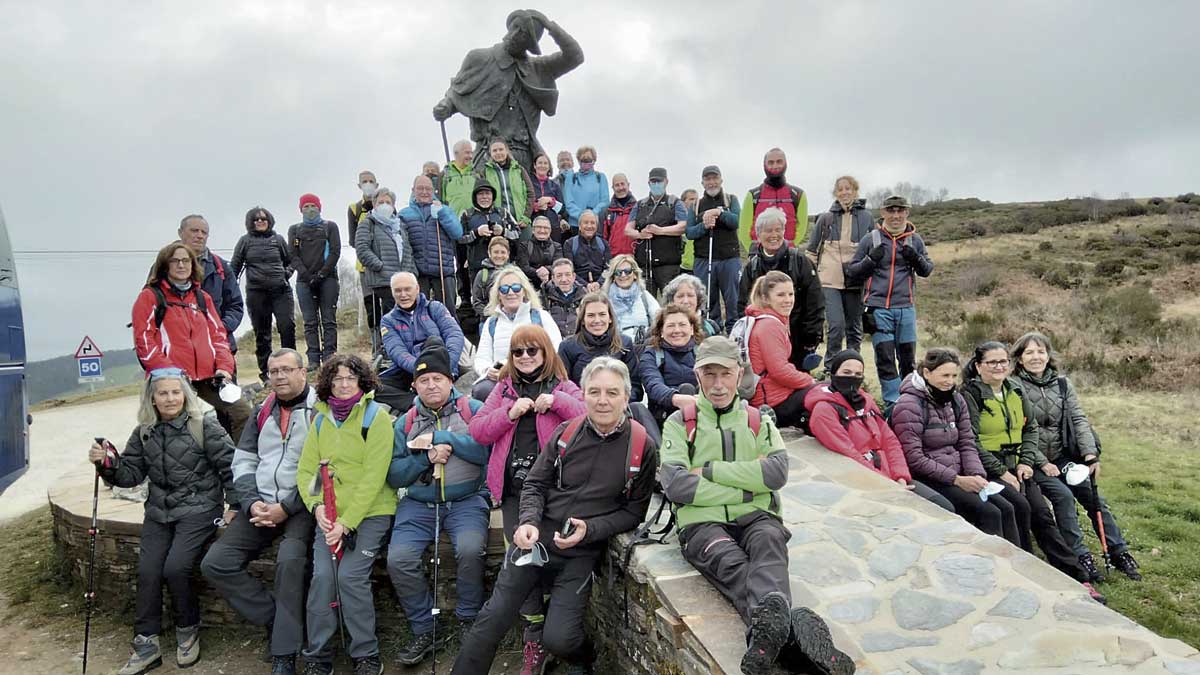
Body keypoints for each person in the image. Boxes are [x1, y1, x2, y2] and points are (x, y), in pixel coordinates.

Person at [658, 337, 850, 675]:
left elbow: (776, 473)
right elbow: (677, 485)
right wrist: (749, 487)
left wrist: (712, 472)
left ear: (739, 373)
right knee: (735, 566)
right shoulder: (679, 423)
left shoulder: (758, 420)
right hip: (701, 524)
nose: (718, 385)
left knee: (769, 545)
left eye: (726, 374)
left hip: (758, 518)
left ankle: (766, 643)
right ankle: (792, 642)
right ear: (698, 375)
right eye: (710, 374)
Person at [454, 357, 654, 674]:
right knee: (492, 619)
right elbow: (534, 483)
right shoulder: (566, 433)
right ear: (583, 394)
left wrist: (590, 529)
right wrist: (529, 522)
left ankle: (581, 658)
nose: (603, 401)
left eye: (612, 393)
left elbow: (633, 513)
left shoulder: (642, 446)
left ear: (626, 396)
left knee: (559, 639)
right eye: (595, 392)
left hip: (581, 552)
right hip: (537, 541)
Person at [90, 369, 235, 675]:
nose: (170, 398)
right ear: (152, 399)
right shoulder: (144, 431)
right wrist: (107, 464)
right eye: (162, 393)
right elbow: (130, 475)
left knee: (176, 567)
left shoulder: (204, 425)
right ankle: (146, 644)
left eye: (175, 392)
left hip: (200, 508)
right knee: (148, 571)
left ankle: (187, 629)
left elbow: (230, 466)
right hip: (159, 512)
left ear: (186, 395)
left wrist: (235, 504)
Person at [465, 325, 586, 671]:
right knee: (522, 560)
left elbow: (588, 416)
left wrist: (558, 402)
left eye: (533, 350)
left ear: (546, 352)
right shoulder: (502, 390)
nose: (525, 357)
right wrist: (510, 412)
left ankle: (554, 633)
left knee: (552, 560)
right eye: (518, 352)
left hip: (557, 492)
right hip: (516, 492)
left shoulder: (563, 387)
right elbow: (477, 430)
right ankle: (534, 637)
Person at [200, 349, 315, 675]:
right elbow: (244, 460)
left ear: (302, 373)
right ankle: (280, 622)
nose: (279, 376)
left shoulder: (319, 410)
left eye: (286, 370)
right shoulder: (262, 410)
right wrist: (251, 501)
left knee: (290, 562)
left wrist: (286, 507)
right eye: (273, 371)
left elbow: (326, 470)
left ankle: (284, 654)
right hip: (261, 504)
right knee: (216, 563)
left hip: (301, 507)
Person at [960, 342, 1100, 597]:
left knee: (1042, 515)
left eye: (1003, 361)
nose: (999, 366)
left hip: (1020, 466)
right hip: (989, 467)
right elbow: (970, 439)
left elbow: (1030, 428)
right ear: (979, 366)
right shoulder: (969, 395)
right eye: (992, 362)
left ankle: (1076, 578)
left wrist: (1025, 462)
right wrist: (1001, 471)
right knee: (1019, 511)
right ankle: (1024, 574)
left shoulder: (1015, 389)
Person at [386, 338, 489, 666]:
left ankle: (467, 618)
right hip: (417, 504)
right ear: (415, 384)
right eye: (424, 380)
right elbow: (394, 474)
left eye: (438, 379)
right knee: (399, 559)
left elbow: (485, 453)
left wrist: (447, 439)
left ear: (450, 380)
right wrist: (424, 459)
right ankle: (425, 628)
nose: (431, 385)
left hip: (467, 499)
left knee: (471, 549)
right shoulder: (405, 421)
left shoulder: (471, 409)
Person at [1011, 332, 1141, 581]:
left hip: (1062, 456)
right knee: (1064, 498)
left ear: (1048, 356)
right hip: (1031, 459)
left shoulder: (1062, 384)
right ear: (1019, 359)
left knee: (1093, 498)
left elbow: (1078, 419)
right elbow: (1019, 430)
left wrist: (1090, 455)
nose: (1036, 357)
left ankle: (1118, 550)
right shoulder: (1013, 386)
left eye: (1040, 351)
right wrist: (1042, 462)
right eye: (1029, 352)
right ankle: (1080, 555)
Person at [296, 355, 396, 675]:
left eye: (350, 378)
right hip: (330, 516)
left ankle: (366, 654)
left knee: (350, 577)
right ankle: (318, 656)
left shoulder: (376, 418)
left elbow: (374, 477)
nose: (343, 384)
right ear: (328, 383)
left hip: (371, 513)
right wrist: (317, 507)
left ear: (362, 381)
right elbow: (308, 471)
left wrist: (346, 523)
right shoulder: (321, 420)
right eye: (337, 378)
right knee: (323, 578)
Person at [432, 10, 584, 173]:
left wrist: (550, 26)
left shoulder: (539, 68)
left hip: (523, 154)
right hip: (488, 152)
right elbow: (457, 91)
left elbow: (575, 56)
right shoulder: (480, 58)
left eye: (523, 33)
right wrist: (446, 106)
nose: (515, 34)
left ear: (530, 44)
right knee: (485, 196)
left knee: (524, 196)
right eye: (515, 27)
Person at [134, 242, 252, 442]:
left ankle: (242, 463)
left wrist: (224, 368)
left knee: (242, 412)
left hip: (208, 376)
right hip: (171, 379)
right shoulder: (150, 297)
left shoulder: (202, 297)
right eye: (175, 260)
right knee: (181, 428)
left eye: (186, 260)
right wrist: (170, 373)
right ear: (164, 265)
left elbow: (218, 336)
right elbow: (144, 341)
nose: (181, 265)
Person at [808, 350, 954, 511]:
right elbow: (850, 454)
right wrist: (886, 483)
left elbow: (890, 441)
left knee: (943, 506)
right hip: (865, 481)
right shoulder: (824, 410)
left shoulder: (866, 401)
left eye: (858, 374)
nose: (852, 378)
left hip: (891, 475)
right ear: (834, 373)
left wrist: (900, 476)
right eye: (846, 372)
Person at [845, 195, 933, 405]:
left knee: (907, 359)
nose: (895, 215)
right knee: (885, 358)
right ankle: (893, 403)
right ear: (883, 213)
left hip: (905, 308)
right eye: (891, 211)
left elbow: (927, 270)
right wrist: (870, 260)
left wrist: (915, 257)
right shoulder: (871, 239)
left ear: (907, 212)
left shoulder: (915, 240)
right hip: (878, 309)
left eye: (900, 210)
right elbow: (853, 271)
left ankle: (910, 401)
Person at [738, 208, 825, 371]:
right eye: (768, 230)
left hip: (798, 339)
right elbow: (743, 304)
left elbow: (815, 302)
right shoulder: (752, 267)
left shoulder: (800, 261)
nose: (774, 235)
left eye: (778, 230)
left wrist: (811, 340)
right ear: (758, 234)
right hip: (762, 341)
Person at [376, 272, 465, 414]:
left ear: (417, 288)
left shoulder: (435, 308)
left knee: (434, 341)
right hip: (409, 370)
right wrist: (420, 371)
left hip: (441, 364)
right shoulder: (388, 320)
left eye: (407, 289)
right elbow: (396, 351)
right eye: (398, 290)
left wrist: (445, 366)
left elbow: (455, 335)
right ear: (392, 293)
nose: (403, 294)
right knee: (370, 385)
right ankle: (413, 402)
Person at [807, 177, 871, 368]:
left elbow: (874, 249)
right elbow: (811, 251)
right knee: (836, 326)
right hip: (829, 279)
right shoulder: (825, 218)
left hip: (855, 280)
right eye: (840, 189)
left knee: (854, 327)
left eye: (848, 189)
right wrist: (811, 280)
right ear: (835, 193)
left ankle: (854, 366)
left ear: (855, 191)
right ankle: (831, 366)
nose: (844, 192)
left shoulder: (867, 218)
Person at [472, 266, 563, 401]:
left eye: (516, 288)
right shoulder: (491, 322)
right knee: (481, 391)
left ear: (524, 291)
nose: (510, 293)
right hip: (501, 379)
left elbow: (557, 348)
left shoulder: (541, 316)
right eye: (504, 289)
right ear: (498, 294)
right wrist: (487, 370)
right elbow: (482, 357)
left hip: (537, 375)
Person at [231, 207, 296, 382]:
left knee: (287, 327)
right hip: (256, 293)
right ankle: (266, 373)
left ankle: (292, 366)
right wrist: (229, 290)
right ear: (251, 222)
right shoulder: (244, 241)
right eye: (256, 219)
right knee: (262, 333)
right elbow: (234, 268)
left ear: (269, 220)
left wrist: (286, 274)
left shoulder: (279, 239)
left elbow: (291, 261)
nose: (260, 221)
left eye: (263, 219)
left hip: (281, 291)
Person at [744, 272, 817, 427]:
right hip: (772, 402)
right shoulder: (770, 326)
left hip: (767, 396)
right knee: (828, 392)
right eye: (781, 295)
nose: (788, 300)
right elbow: (780, 371)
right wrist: (809, 380)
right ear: (765, 298)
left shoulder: (762, 319)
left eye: (791, 294)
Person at [355, 186, 419, 355]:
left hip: (402, 280)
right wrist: (380, 266)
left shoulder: (400, 226)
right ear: (374, 204)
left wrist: (410, 273)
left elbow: (408, 251)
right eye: (381, 202)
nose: (385, 205)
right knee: (389, 316)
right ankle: (387, 351)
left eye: (388, 202)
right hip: (382, 281)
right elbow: (362, 249)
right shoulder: (368, 223)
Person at [178, 214, 244, 369]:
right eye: (194, 231)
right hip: (180, 353)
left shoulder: (220, 266)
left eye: (204, 232)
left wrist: (218, 328)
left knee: (226, 393)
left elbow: (236, 306)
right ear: (180, 233)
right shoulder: (165, 267)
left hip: (219, 351)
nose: (200, 236)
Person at [288, 193, 342, 371]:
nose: (310, 209)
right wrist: (306, 275)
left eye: (313, 206)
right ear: (300, 209)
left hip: (328, 279)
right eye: (306, 206)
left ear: (319, 207)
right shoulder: (294, 230)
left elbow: (335, 252)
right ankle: (313, 359)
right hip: (304, 281)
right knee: (310, 322)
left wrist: (321, 274)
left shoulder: (330, 227)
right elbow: (293, 256)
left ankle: (329, 357)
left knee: (328, 319)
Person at [687, 165, 742, 332]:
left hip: (729, 259)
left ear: (721, 180)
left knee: (733, 300)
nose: (711, 182)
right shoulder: (695, 205)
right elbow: (689, 232)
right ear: (702, 182)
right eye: (708, 179)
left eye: (714, 178)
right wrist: (704, 225)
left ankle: (734, 334)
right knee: (708, 301)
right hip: (704, 259)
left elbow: (736, 221)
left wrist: (719, 213)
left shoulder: (730, 200)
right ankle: (712, 332)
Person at [557, 292, 642, 400]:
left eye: (602, 314)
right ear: (583, 320)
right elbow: (562, 386)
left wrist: (619, 402)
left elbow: (635, 387)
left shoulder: (625, 343)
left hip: (619, 409)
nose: (597, 320)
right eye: (591, 315)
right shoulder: (567, 347)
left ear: (610, 318)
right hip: (581, 408)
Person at [400, 174, 464, 309]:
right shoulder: (404, 214)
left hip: (443, 271)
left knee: (448, 313)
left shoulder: (445, 210)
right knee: (419, 312)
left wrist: (441, 213)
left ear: (433, 190)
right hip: (418, 273)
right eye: (420, 188)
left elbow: (457, 233)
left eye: (428, 189)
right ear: (413, 190)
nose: (424, 192)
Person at [625, 167, 688, 296]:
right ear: (648, 183)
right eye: (653, 182)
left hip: (669, 266)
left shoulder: (675, 203)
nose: (656, 184)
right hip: (644, 265)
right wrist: (640, 234)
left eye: (659, 181)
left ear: (666, 182)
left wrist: (661, 231)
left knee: (670, 304)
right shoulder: (640, 204)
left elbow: (683, 226)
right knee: (645, 305)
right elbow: (627, 230)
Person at [639, 304, 703, 425]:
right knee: (686, 389)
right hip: (664, 417)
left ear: (692, 329)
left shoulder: (704, 351)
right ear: (661, 331)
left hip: (701, 412)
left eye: (682, 325)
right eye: (670, 326)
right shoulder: (651, 354)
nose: (677, 330)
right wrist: (677, 399)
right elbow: (653, 384)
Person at [738, 147, 808, 254]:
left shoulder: (798, 195)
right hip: (760, 255)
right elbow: (743, 229)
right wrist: (754, 251)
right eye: (770, 162)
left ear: (786, 164)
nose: (775, 166)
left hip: (788, 255)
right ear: (764, 165)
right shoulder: (753, 195)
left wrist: (791, 246)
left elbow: (802, 226)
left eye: (779, 162)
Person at [460, 179, 519, 303]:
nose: (484, 197)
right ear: (475, 197)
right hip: (476, 265)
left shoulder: (502, 213)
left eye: (487, 193)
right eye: (480, 194)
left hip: (501, 264)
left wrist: (503, 231)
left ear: (493, 196)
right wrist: (476, 233)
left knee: (504, 296)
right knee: (480, 299)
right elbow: (459, 238)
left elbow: (517, 233)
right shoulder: (467, 215)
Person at [441, 141, 478, 314]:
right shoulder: (446, 175)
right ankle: (464, 297)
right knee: (460, 261)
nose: (470, 156)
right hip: (455, 225)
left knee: (474, 259)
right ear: (456, 153)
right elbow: (441, 200)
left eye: (471, 153)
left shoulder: (476, 172)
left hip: (474, 221)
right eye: (466, 153)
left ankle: (477, 292)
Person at [482, 138, 536, 238]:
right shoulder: (485, 172)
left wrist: (526, 217)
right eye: (495, 150)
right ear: (490, 153)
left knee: (525, 251)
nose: (498, 153)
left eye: (501, 149)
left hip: (520, 221)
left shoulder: (519, 169)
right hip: (498, 222)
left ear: (506, 150)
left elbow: (530, 193)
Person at [348, 170, 380, 336]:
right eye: (365, 181)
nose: (368, 184)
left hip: (385, 265)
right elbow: (352, 240)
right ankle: (376, 343)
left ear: (377, 184)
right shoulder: (354, 209)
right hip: (364, 266)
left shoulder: (385, 206)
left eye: (371, 181)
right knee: (371, 306)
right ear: (359, 185)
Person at [603, 254, 660, 343]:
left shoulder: (644, 296)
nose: (623, 275)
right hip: (616, 345)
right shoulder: (605, 299)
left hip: (643, 345)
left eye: (627, 271)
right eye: (618, 272)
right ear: (613, 277)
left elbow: (659, 319)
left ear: (635, 275)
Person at [470, 237, 513, 333]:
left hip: (511, 321)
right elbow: (477, 302)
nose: (499, 255)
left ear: (508, 254)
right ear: (489, 253)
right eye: (496, 252)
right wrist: (493, 314)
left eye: (503, 252)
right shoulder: (482, 274)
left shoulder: (514, 273)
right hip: (488, 321)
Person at [562, 145, 609, 232]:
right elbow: (569, 202)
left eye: (589, 160)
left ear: (594, 160)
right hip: (575, 225)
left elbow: (605, 201)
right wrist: (582, 217)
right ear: (578, 161)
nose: (586, 163)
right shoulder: (571, 178)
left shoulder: (601, 177)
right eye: (583, 160)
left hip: (595, 225)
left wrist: (592, 215)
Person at [563, 209, 608, 291]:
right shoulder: (570, 244)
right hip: (578, 287)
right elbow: (569, 270)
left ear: (597, 226)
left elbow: (608, 268)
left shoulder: (604, 244)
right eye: (586, 223)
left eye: (592, 223)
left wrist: (599, 283)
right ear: (579, 226)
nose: (589, 226)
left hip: (601, 286)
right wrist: (585, 285)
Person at [540, 258, 586, 336]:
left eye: (567, 275)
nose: (564, 279)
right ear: (553, 278)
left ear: (574, 276)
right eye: (559, 276)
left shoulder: (585, 296)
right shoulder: (543, 298)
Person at [530, 151, 568, 242]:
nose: (542, 165)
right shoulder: (528, 183)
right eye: (540, 163)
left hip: (552, 227)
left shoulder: (554, 186)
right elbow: (522, 204)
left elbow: (562, 209)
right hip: (533, 225)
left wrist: (551, 201)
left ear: (549, 167)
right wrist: (536, 206)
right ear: (535, 165)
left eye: (545, 163)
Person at [517, 215, 564, 289]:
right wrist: (537, 272)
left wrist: (546, 269)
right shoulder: (524, 246)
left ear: (550, 230)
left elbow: (558, 266)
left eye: (546, 228)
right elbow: (523, 267)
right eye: (539, 227)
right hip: (529, 286)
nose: (542, 231)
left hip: (552, 287)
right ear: (533, 230)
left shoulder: (557, 247)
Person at [599, 172, 637, 257]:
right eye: (617, 185)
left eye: (622, 184)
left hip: (634, 258)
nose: (620, 188)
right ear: (613, 188)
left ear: (628, 185)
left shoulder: (638, 208)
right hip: (613, 259)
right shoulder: (606, 211)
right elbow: (602, 239)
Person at [679, 189, 698, 275]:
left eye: (696, 199)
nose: (694, 202)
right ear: (683, 202)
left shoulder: (700, 220)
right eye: (691, 199)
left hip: (699, 265)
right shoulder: (677, 221)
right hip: (682, 267)